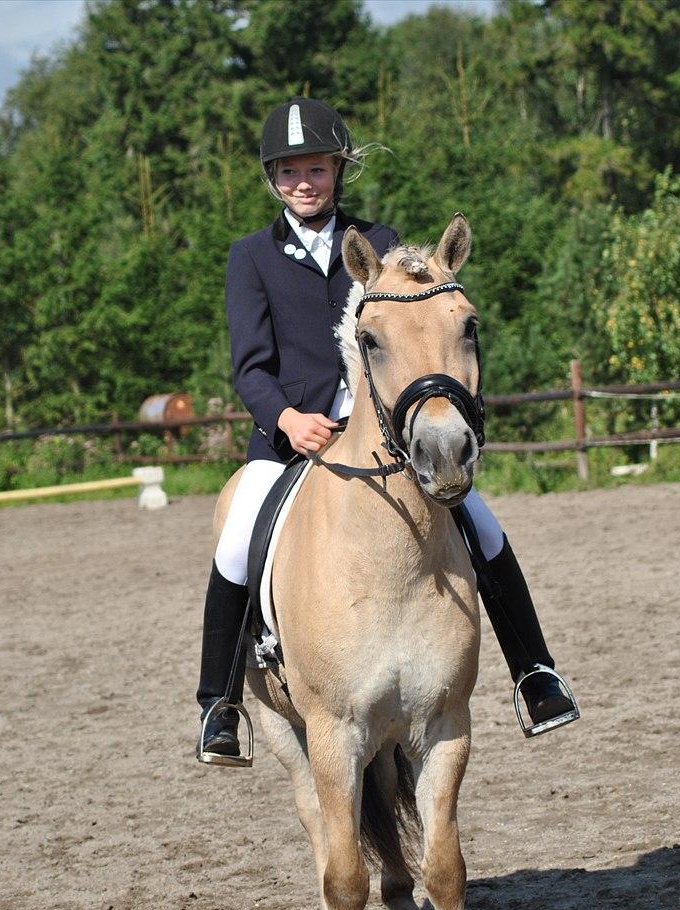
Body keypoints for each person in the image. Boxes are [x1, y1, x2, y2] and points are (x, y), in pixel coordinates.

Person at [197, 96, 577, 764]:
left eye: (314, 168)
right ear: (272, 179)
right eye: (288, 172)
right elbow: (250, 366)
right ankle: (220, 704)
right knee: (237, 537)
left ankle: (535, 672)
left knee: (481, 524)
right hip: (292, 440)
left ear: (337, 171)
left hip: (386, 441)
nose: (303, 182)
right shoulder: (250, 257)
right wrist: (286, 417)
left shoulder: (380, 239)